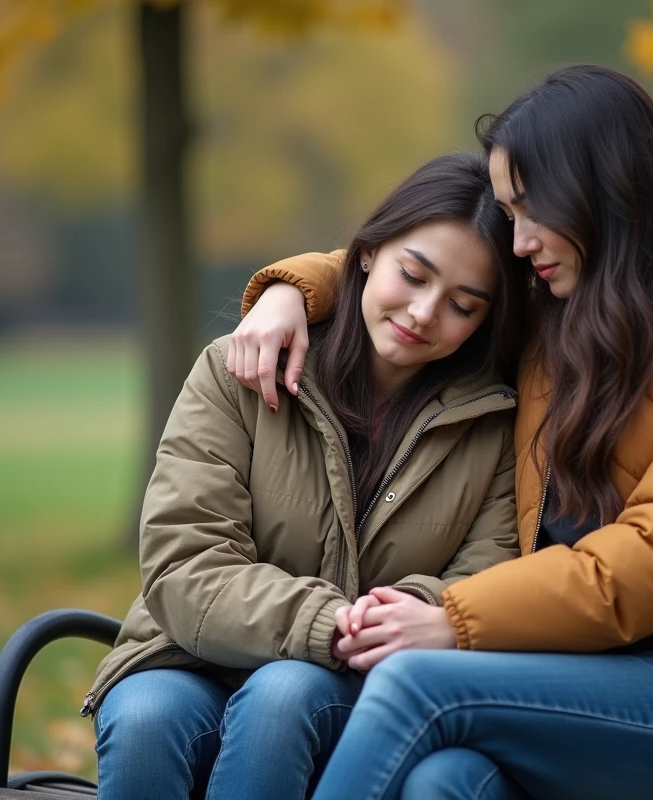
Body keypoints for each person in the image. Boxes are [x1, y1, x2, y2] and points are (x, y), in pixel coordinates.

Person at [228, 64, 653, 800]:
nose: (517, 242)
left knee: (416, 684)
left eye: (528, 211)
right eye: (507, 213)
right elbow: (411, 260)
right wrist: (290, 293)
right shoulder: (562, 302)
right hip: (570, 674)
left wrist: (455, 621)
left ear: (598, 192)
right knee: (446, 783)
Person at [87, 152, 531, 800]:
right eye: (414, 275)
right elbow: (184, 563)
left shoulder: (495, 425)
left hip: (358, 685)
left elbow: (483, 578)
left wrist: (403, 616)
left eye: (462, 304)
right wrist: (327, 621)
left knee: (282, 694)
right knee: (146, 719)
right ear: (371, 250)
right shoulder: (237, 368)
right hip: (189, 655)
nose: (423, 313)